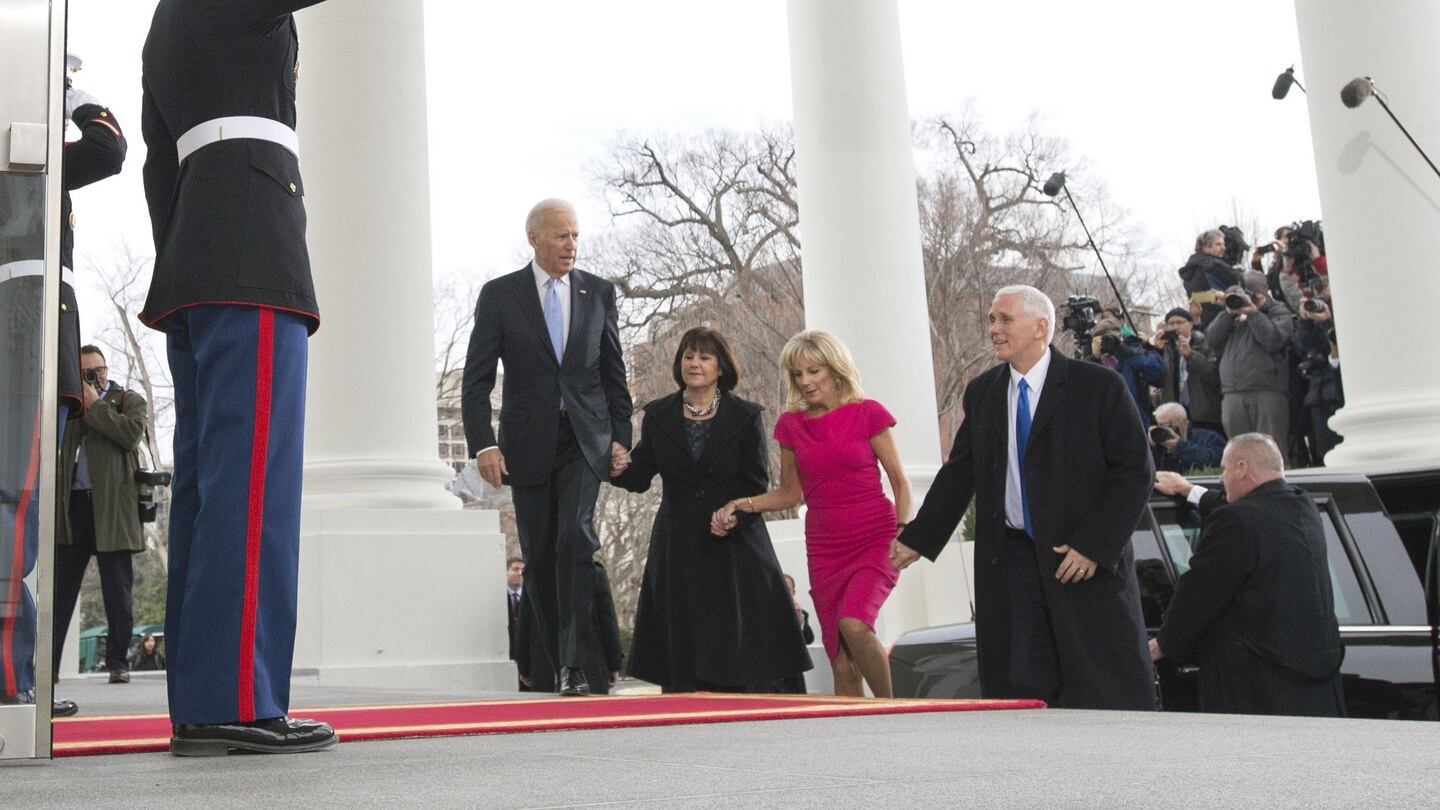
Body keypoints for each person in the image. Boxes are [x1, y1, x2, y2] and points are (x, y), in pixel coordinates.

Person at [140, 0, 336, 755]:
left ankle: (204, 699)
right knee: (252, 490)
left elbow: (161, 166)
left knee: (209, 490)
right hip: (252, 244)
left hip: (199, 247)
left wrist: (188, 249)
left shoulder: (164, 23)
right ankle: (240, 699)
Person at [891, 285, 1156, 710]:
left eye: (1004, 319)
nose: (994, 329)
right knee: (1022, 689)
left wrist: (1093, 545)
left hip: (1079, 563)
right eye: (992, 320)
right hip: (1010, 565)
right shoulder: (984, 393)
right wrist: (917, 537)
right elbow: (960, 473)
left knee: (1098, 687)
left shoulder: (1098, 387)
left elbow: (1136, 473)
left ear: (1041, 327)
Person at [462, 198, 633, 697]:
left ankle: (576, 665)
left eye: (576, 235)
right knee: (538, 555)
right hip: (525, 442)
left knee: (575, 538)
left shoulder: (599, 292)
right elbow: (476, 382)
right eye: (561, 236)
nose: (571, 245)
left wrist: (622, 436)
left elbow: (613, 372)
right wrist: (483, 445)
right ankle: (560, 660)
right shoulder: (500, 295)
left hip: (585, 438)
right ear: (534, 238)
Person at [1, 58, 126, 719]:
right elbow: (108, 147)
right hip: (25, 328)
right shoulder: (25, 152)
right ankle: (8, 676)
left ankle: (18, 670)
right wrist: (68, 90)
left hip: (25, 329)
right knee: (13, 504)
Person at [711, 330, 910, 698]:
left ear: (835, 369)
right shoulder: (791, 425)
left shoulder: (868, 413)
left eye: (813, 371)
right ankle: (852, 744)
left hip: (875, 537)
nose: (805, 382)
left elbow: (900, 481)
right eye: (797, 375)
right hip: (824, 546)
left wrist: (904, 531)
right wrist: (742, 504)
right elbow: (790, 493)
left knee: (854, 623)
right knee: (840, 660)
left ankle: (891, 708)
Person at [612, 327, 811, 693]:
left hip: (734, 543)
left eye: (704, 357)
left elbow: (755, 485)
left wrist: (733, 515)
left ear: (721, 367)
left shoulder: (746, 416)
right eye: (688, 356)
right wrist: (618, 464)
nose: (694, 363)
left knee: (738, 639)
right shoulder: (657, 415)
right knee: (683, 639)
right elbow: (639, 476)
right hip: (679, 542)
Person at [1150, 434, 1345, 716]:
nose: (1220, 478)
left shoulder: (1237, 522)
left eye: (1224, 469)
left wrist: (1163, 643)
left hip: (1262, 695)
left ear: (1242, 468)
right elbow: (1250, 516)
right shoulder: (1304, 506)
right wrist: (1190, 490)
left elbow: (1199, 593)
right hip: (1316, 695)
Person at [53, 346, 147, 686]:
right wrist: (81, 401)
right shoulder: (68, 405)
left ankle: (118, 663)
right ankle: (46, 668)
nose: (95, 377)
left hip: (114, 512)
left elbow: (130, 434)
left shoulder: (128, 400)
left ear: (107, 369)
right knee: (60, 592)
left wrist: (95, 403)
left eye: (99, 370)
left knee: (117, 593)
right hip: (74, 509)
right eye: (86, 373)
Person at [1206, 272, 1294, 450]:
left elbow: (1273, 340)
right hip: (1233, 394)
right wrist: (1228, 313)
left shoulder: (1278, 311)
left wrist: (1254, 314)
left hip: (1266, 391)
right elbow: (1212, 340)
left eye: (1256, 295)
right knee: (1240, 452)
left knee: (1270, 451)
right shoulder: (1231, 316)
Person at [515, 560, 623, 695]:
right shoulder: (594, 572)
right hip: (589, 661)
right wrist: (614, 664)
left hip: (544, 663)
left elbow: (525, 624)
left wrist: (524, 666)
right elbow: (607, 621)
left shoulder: (535, 574)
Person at [1150, 306, 1224, 439]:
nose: (1175, 326)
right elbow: (1156, 379)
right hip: (1176, 415)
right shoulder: (1167, 349)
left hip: (1204, 414)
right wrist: (1158, 351)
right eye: (1171, 324)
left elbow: (1213, 375)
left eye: (1180, 322)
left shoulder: (1204, 343)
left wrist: (1190, 355)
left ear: (1190, 324)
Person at [1086, 315, 1163, 427]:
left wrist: (1123, 351)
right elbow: (1086, 390)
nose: (1107, 343)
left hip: (1137, 421)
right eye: (1102, 340)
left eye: (1110, 338)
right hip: (1108, 426)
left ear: (1120, 336)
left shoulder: (1132, 352)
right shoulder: (1092, 363)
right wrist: (1094, 359)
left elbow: (1156, 370)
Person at [1179, 229, 1244, 329]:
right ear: (1206, 248)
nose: (1224, 248)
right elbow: (1239, 281)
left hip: (1203, 322)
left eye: (1223, 244)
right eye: (1218, 244)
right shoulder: (1213, 265)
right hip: (1223, 318)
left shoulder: (1190, 269)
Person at [1149, 402, 1224, 474]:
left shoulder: (1209, 438)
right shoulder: (1159, 441)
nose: (1166, 430)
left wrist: (1180, 446)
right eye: (1161, 425)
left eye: (1169, 425)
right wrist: (1151, 446)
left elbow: (1214, 461)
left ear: (1185, 423)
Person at [504, 557, 526, 689]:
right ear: (506, 571)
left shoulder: (529, 598)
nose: (520, 573)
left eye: (522, 570)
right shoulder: (500, 596)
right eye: (515, 569)